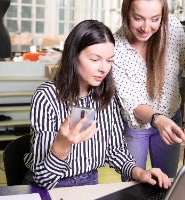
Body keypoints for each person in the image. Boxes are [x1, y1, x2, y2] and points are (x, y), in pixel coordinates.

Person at [23, 19, 171, 190]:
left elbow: (115, 150)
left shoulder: (104, 96)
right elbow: (44, 180)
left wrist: (140, 173)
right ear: (73, 55)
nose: (104, 68)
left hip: (90, 184)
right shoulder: (47, 97)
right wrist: (62, 146)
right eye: (95, 59)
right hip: (50, 187)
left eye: (109, 61)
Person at [112, 0, 185, 180]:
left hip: (170, 118)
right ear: (126, 13)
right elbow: (131, 101)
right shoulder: (116, 46)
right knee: (133, 183)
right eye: (138, 18)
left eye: (154, 19)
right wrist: (157, 119)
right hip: (136, 126)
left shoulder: (172, 27)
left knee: (166, 181)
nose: (146, 28)